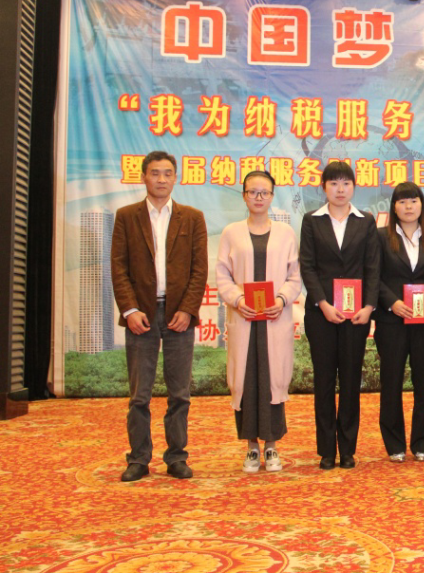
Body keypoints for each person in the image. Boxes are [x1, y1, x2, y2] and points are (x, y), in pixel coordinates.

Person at [111, 151, 207, 482]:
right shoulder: (127, 216)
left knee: (179, 393)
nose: (161, 179)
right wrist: (130, 309)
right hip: (141, 314)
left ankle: (177, 456)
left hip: (179, 314)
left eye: (167, 173)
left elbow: (199, 269)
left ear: (175, 178)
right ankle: (138, 458)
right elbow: (119, 267)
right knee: (140, 395)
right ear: (144, 177)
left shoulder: (192, 217)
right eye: (155, 173)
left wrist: (188, 309)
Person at [216, 171, 302, 473]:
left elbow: (295, 276)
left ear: (272, 196)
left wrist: (281, 299)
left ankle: (272, 446)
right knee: (246, 381)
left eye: (264, 192)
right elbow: (223, 275)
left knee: (272, 380)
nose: (258, 197)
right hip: (245, 319)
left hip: (274, 320)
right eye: (253, 192)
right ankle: (251, 447)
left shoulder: (285, 233)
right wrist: (238, 300)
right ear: (244, 196)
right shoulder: (231, 233)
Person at [299, 161, 380, 471]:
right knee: (323, 382)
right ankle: (326, 451)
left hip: (356, 316)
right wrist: (322, 303)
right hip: (321, 314)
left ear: (354, 187)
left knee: (349, 381)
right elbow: (307, 266)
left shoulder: (365, 221)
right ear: (324, 188)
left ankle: (347, 449)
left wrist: (368, 307)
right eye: (334, 183)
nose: (340, 189)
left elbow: (372, 266)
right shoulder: (312, 220)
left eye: (346, 183)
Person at [373, 182, 424, 463]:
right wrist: (392, 302)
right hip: (392, 321)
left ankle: (422, 442)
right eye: (402, 202)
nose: (408, 206)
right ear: (394, 208)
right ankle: (395, 445)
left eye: (413, 201)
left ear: (421, 205)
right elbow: (373, 277)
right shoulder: (381, 237)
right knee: (391, 382)